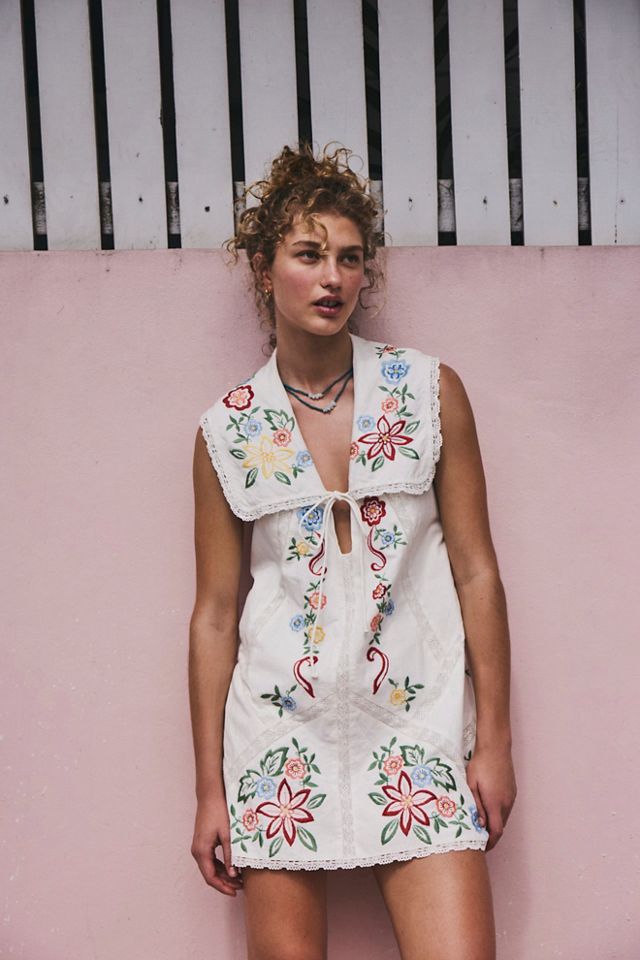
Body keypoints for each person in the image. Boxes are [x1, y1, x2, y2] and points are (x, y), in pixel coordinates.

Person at [189, 142, 517, 960]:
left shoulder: (428, 393)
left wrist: (495, 741)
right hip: (278, 743)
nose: (332, 277)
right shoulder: (228, 429)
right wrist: (210, 791)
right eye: (308, 255)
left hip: (418, 728)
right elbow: (215, 616)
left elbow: (477, 571)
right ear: (263, 269)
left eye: (349, 257)